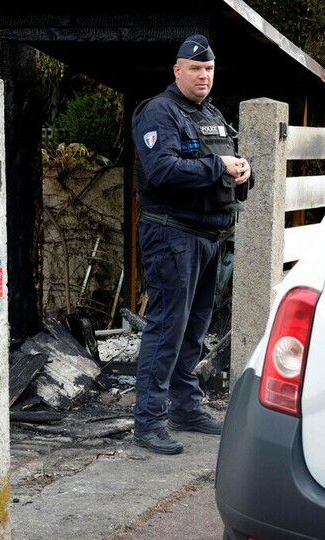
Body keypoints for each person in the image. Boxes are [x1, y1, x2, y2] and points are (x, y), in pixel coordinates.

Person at [130, 34, 254, 455]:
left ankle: (185, 409)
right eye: (196, 69)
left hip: (209, 236)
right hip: (172, 234)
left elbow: (224, 169)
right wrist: (218, 165)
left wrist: (243, 172)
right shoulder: (159, 112)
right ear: (177, 70)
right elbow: (162, 170)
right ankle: (148, 422)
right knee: (167, 328)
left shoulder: (212, 115)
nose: (204, 76)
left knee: (194, 331)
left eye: (209, 69)